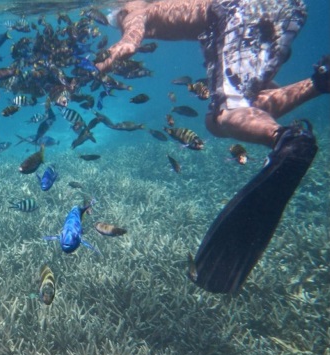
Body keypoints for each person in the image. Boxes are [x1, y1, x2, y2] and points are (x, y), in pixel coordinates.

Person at [96, 0, 329, 294]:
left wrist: (96, 66)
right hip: (281, 8)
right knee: (249, 103)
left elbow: (129, 46)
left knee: (221, 118)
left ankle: (288, 141)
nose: (110, 17)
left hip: (234, 13)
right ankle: (320, 81)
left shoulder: (135, 9)